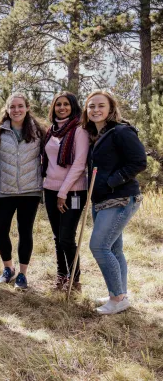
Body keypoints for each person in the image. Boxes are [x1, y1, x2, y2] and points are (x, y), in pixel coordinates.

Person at [83, 90, 146, 315]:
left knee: (99, 246)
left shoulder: (121, 131)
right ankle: (119, 292)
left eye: (101, 106)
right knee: (115, 249)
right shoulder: (98, 135)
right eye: (91, 106)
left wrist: (112, 181)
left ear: (111, 109)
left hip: (119, 198)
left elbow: (139, 161)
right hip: (101, 199)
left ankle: (117, 299)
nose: (96, 110)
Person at [0, 93, 46, 290]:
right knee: (0, 230)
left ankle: (22, 274)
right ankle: (8, 268)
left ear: (27, 108)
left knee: (25, 232)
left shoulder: (38, 131)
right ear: (7, 109)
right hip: (4, 190)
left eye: (20, 106)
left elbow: (47, 159)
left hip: (30, 191)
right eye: (12, 107)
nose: (16, 110)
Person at [42, 92, 89, 292]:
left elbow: (79, 164)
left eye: (66, 104)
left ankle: (75, 279)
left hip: (74, 192)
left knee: (67, 237)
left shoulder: (79, 129)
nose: (62, 108)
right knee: (57, 235)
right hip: (50, 189)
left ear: (73, 106)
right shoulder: (50, 131)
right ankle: (62, 275)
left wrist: (63, 192)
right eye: (58, 104)